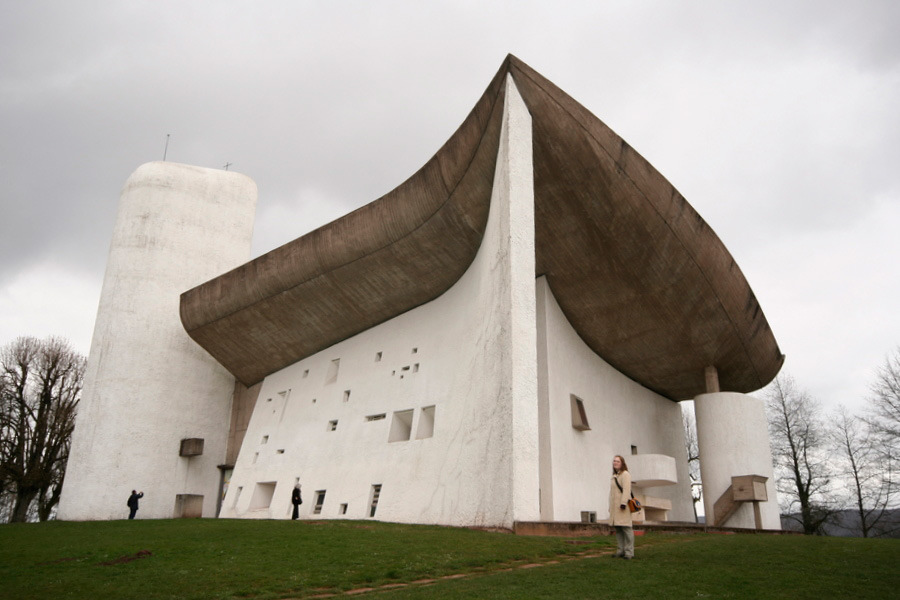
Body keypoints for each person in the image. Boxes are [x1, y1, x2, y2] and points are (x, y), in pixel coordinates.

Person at [609, 455, 634, 559]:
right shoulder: (614, 476)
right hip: (615, 507)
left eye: (617, 461)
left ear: (622, 463)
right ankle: (620, 550)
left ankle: (629, 552)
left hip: (622, 506)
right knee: (618, 529)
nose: (615, 463)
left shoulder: (625, 475)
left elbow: (626, 490)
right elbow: (611, 493)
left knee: (626, 529)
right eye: (614, 461)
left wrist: (623, 503)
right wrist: (610, 506)